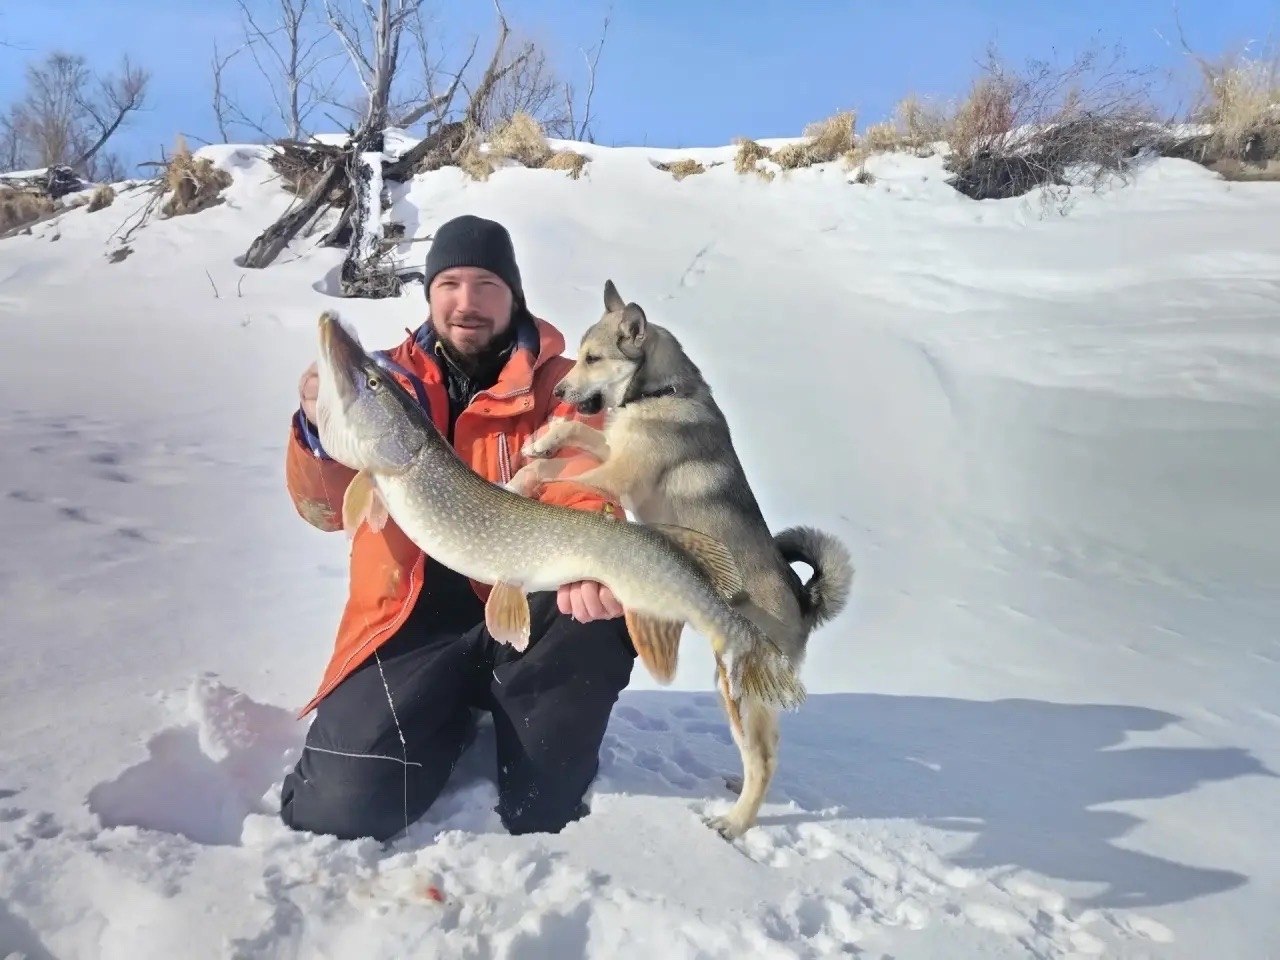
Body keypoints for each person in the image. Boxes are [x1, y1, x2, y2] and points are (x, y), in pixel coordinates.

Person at [279, 214, 636, 841]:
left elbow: (587, 479)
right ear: (429, 293)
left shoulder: (567, 387)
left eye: (485, 284)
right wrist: (318, 430)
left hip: (526, 612)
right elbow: (328, 509)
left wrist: (591, 560)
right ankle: (444, 710)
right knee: (337, 807)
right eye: (448, 282)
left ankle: (531, 752)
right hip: (408, 624)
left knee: (548, 797)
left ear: (514, 295)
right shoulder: (389, 382)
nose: (465, 302)